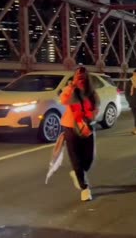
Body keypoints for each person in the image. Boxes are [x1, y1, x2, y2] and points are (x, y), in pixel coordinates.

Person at [60, 66, 100, 202]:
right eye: (78, 76)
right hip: (71, 127)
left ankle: (79, 174)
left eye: (83, 76)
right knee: (76, 159)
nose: (81, 79)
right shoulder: (71, 90)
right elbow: (64, 100)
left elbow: (96, 107)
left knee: (88, 159)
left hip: (87, 127)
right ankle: (85, 188)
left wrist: (90, 117)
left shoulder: (91, 93)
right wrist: (72, 85)